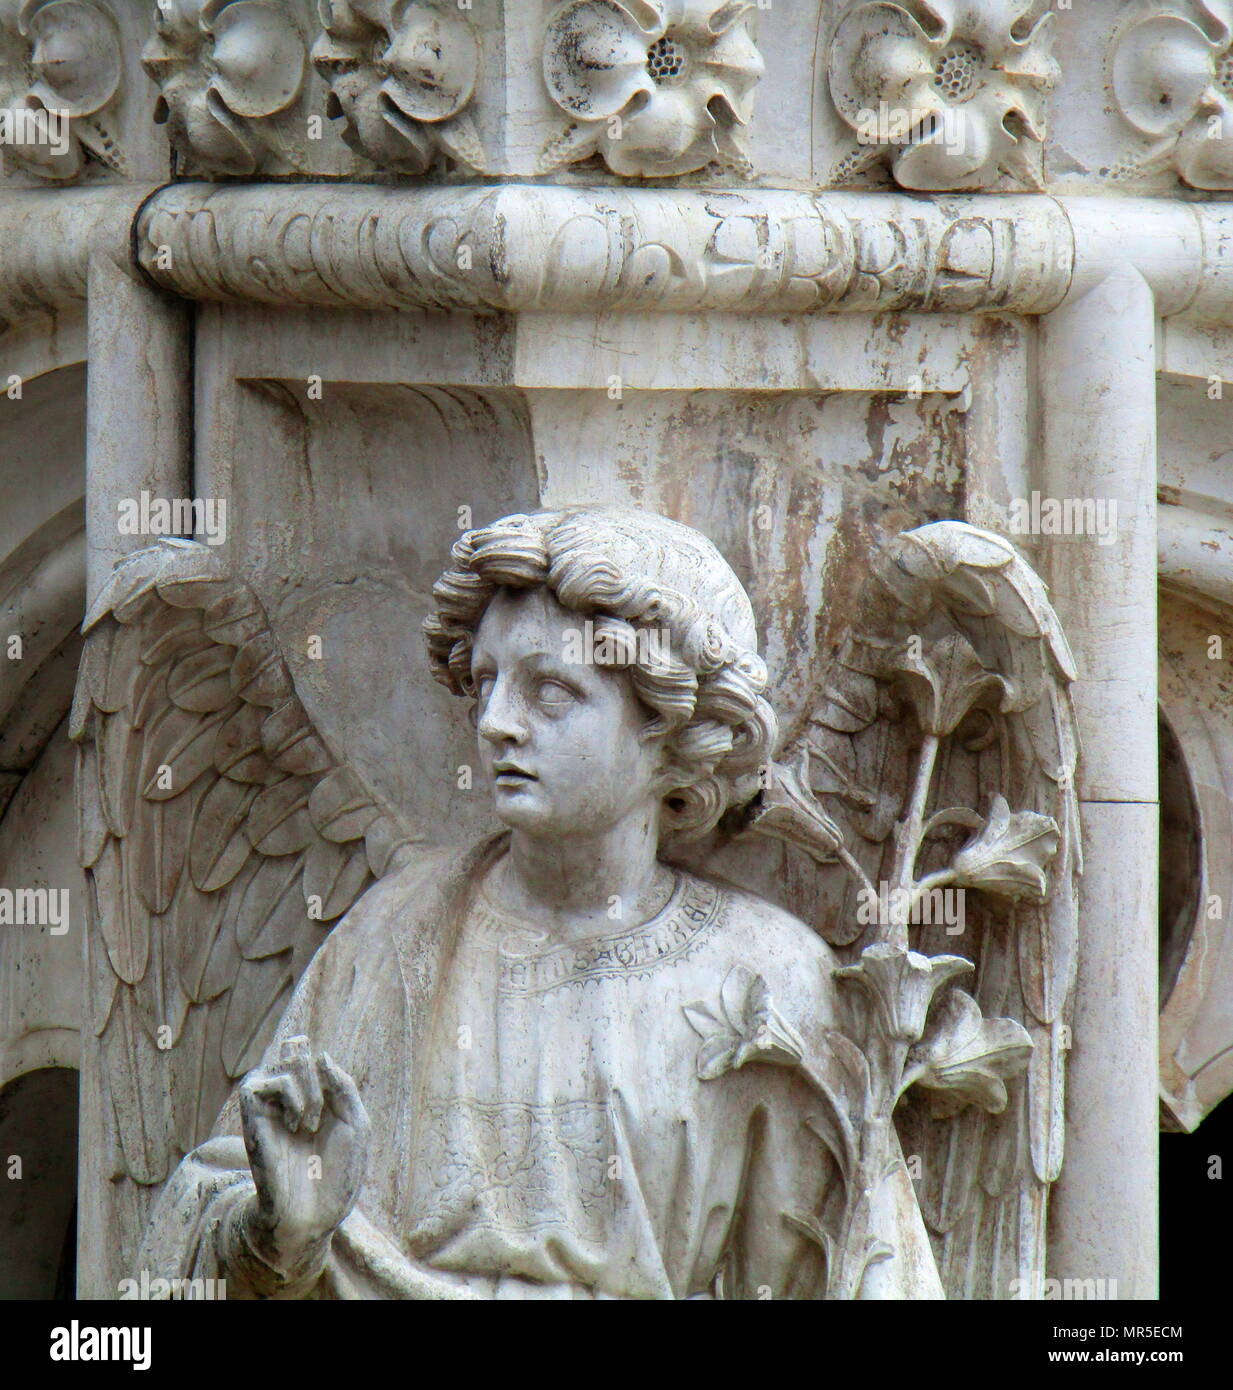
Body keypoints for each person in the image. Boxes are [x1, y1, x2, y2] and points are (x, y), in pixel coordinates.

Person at [139, 506, 941, 1298]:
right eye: (484, 683)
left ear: (667, 728)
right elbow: (205, 1219)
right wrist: (279, 1237)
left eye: (550, 692)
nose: (495, 724)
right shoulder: (394, 933)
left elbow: (860, 1275)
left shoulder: (765, 977)